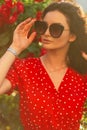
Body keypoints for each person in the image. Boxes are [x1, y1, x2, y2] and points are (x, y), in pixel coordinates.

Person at [0, 1, 87, 130]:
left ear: (72, 36)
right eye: (42, 26)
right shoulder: (25, 68)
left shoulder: (81, 73)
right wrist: (15, 47)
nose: (46, 33)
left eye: (55, 29)